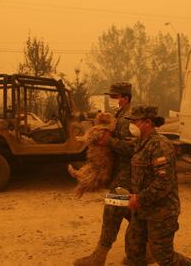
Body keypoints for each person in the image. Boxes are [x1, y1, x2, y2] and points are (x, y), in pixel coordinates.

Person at [125, 105, 191, 266]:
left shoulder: (160, 145)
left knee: (164, 257)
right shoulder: (140, 143)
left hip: (161, 211)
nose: (131, 125)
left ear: (147, 122)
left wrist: (140, 198)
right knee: (133, 250)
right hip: (142, 209)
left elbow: (163, 182)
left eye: (134, 121)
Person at [74, 82, 135, 266]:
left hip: (128, 172)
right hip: (118, 171)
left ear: (124, 98)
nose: (112, 100)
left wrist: (110, 141)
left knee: (112, 209)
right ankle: (148, 247)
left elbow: (133, 148)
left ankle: (99, 257)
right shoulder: (118, 115)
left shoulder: (129, 119)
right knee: (131, 212)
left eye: (114, 97)